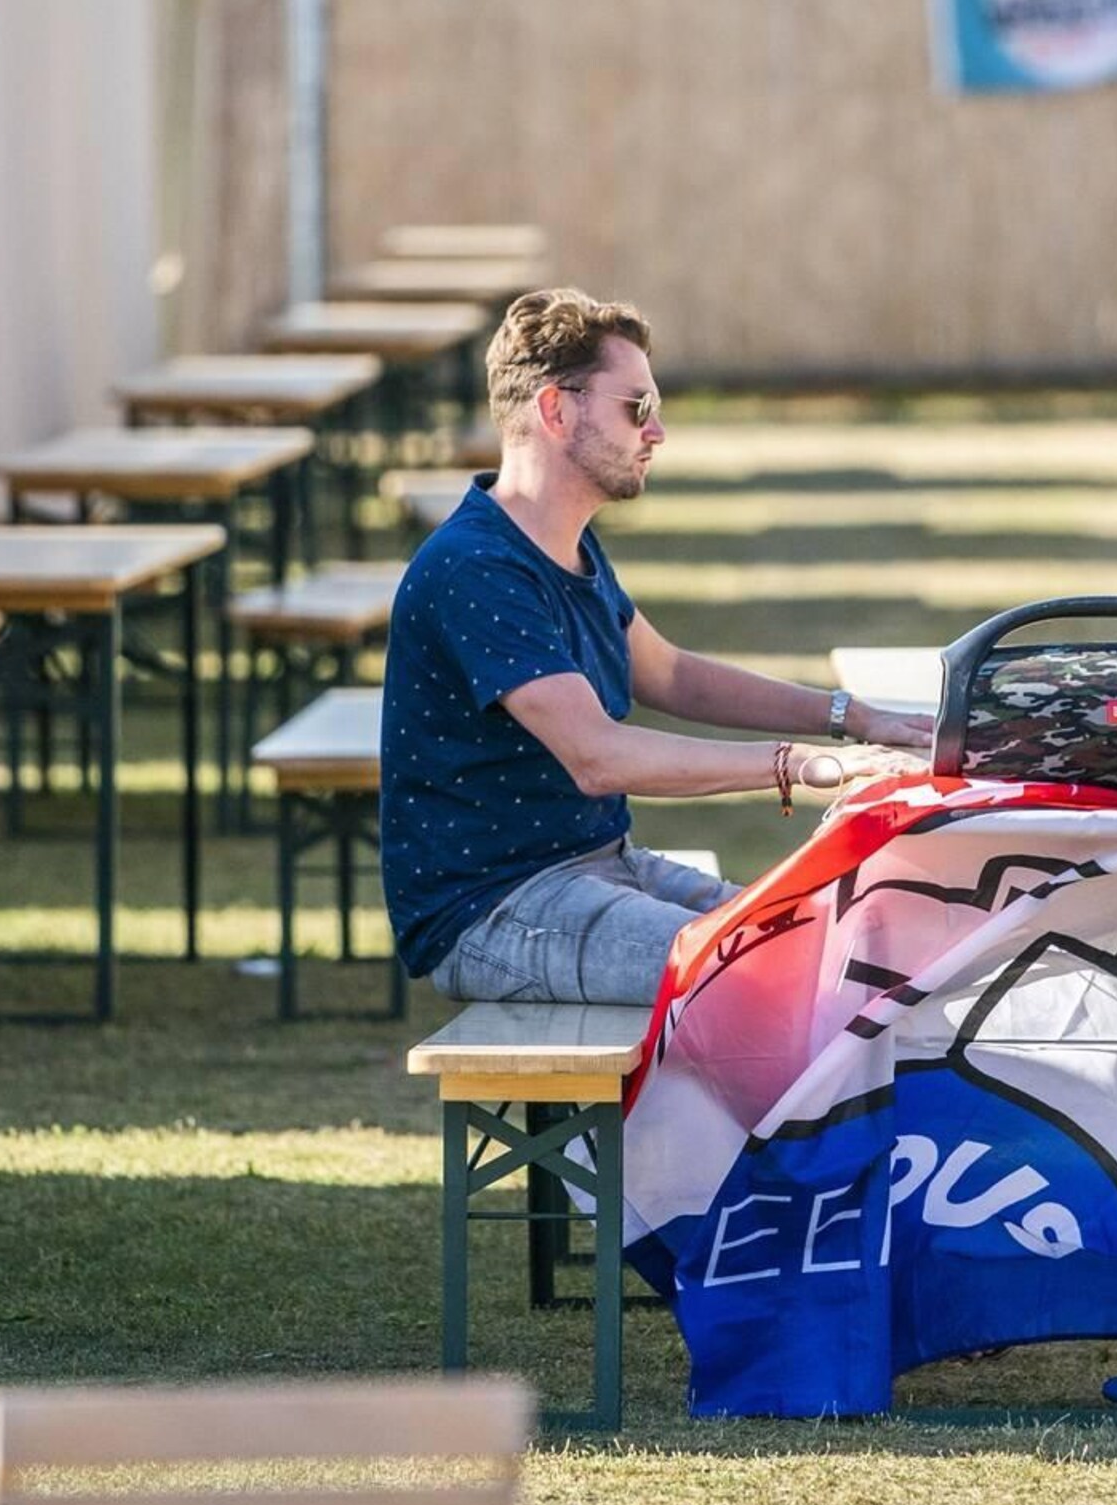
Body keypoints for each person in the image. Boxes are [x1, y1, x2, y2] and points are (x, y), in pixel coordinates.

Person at [381, 287, 929, 1005]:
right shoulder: (477, 568)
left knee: (833, 939)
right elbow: (597, 756)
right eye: (636, 408)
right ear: (556, 409)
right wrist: (808, 766)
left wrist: (851, 717)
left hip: (599, 866)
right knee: (777, 978)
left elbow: (670, 674)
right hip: (494, 913)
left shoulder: (564, 545)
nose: (658, 431)